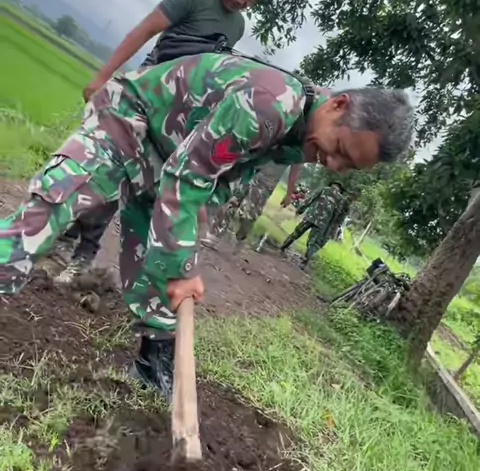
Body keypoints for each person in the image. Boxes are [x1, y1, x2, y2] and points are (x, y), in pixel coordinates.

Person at [0, 54, 414, 401]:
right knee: (52, 209)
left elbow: (225, 174)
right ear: (338, 105)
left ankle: (153, 360)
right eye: (339, 149)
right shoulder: (269, 105)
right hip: (131, 119)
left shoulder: (303, 134)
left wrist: (190, 239)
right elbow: (187, 178)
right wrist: (183, 265)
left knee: (159, 255)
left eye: (348, 166)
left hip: (175, 153)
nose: (333, 164)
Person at [48, 0, 273, 283]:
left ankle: (76, 247)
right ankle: (74, 246)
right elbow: (142, 32)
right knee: (105, 169)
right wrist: (102, 78)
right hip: (143, 96)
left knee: (123, 179)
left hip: (173, 117)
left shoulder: (236, 26)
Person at [280, 182, 351, 268]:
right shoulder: (340, 199)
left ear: (332, 185)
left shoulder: (323, 189)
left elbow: (310, 199)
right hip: (322, 223)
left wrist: (300, 209)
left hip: (311, 216)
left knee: (296, 233)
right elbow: (336, 214)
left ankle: (283, 247)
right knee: (312, 242)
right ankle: (304, 263)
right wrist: (329, 227)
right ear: (340, 189)